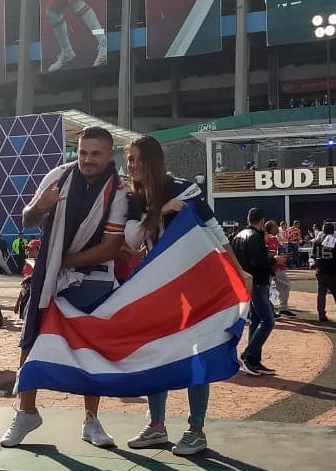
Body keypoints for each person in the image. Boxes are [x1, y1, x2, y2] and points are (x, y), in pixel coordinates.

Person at [2, 127, 127, 448]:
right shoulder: (58, 175)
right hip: (48, 275)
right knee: (30, 341)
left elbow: (111, 247)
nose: (87, 159)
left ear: (109, 155)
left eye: (95, 153)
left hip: (93, 276)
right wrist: (41, 206)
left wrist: (63, 261)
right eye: (83, 152)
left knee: (91, 347)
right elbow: (28, 219)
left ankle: (91, 420)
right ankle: (26, 412)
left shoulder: (118, 190)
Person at [123, 136, 247, 454]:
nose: (133, 165)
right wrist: (160, 210)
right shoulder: (131, 197)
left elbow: (213, 230)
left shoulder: (184, 188)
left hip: (193, 284)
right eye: (129, 159)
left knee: (197, 351)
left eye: (138, 159)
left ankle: (196, 428)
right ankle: (157, 425)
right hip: (154, 287)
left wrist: (239, 270)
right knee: (155, 353)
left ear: (154, 160)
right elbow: (134, 239)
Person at [231, 208, 278, 381]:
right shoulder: (254, 236)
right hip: (257, 282)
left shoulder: (238, 235)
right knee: (267, 320)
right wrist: (274, 260)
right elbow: (259, 262)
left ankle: (254, 359)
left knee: (257, 320)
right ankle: (248, 355)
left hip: (247, 282)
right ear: (261, 220)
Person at [312, 222, 336, 322]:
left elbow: (314, 254)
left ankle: (321, 314)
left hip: (320, 269)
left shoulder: (317, 241)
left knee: (321, 293)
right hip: (333, 270)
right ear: (333, 231)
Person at [264, 220, 294, 318]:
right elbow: (272, 254)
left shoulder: (268, 237)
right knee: (284, 286)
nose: (278, 228)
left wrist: (283, 256)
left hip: (269, 267)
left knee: (269, 289)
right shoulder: (272, 238)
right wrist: (282, 258)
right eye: (276, 226)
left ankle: (278, 309)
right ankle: (281, 308)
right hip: (275, 267)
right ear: (271, 228)